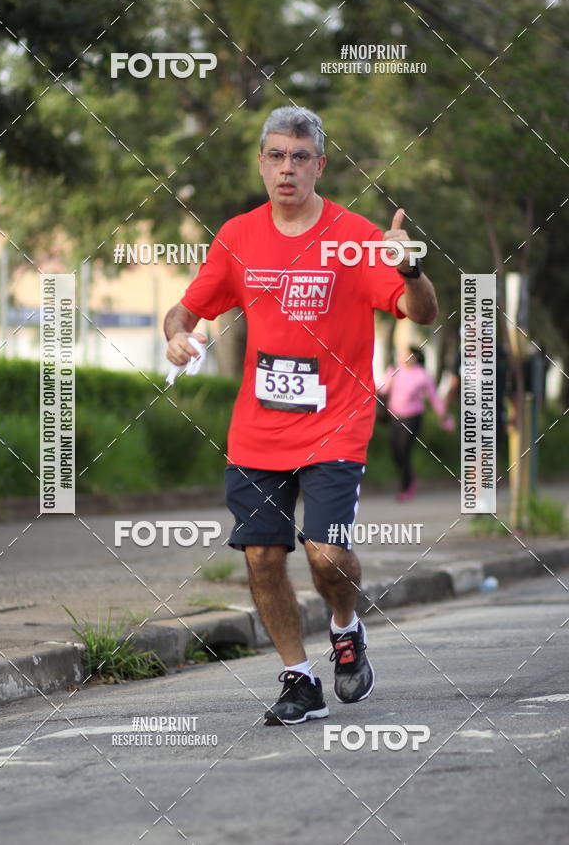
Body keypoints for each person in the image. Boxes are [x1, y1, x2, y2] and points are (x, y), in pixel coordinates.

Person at [163, 106, 439, 726]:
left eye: (300, 157)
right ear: (262, 163)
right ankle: (298, 677)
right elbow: (186, 309)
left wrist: (410, 268)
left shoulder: (356, 237)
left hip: (336, 424)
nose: (287, 169)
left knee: (325, 555)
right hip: (257, 430)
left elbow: (420, 312)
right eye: (277, 156)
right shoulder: (237, 236)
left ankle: (346, 626)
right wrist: (177, 335)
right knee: (262, 558)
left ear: (320, 164)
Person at [379, 347, 454, 501]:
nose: (403, 357)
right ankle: (410, 478)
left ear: (416, 357)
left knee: (405, 450)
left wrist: (443, 416)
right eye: (402, 354)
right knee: (396, 452)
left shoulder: (422, 375)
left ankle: (405, 488)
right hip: (394, 416)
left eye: (407, 355)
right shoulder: (394, 371)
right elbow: (383, 390)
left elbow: (433, 398)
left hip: (413, 417)